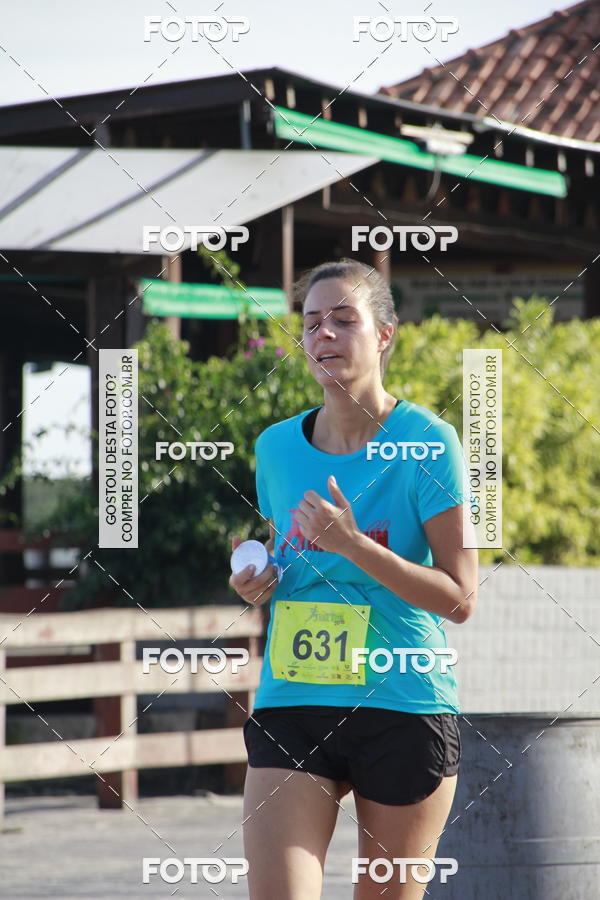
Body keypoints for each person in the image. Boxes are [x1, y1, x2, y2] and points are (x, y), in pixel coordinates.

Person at [229, 259, 478, 900]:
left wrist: (355, 545)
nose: (325, 336)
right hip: (293, 697)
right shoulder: (276, 447)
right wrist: (261, 575)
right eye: (312, 324)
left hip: (401, 702)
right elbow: (291, 552)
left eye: (345, 320)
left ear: (385, 335)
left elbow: (460, 596)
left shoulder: (428, 441)